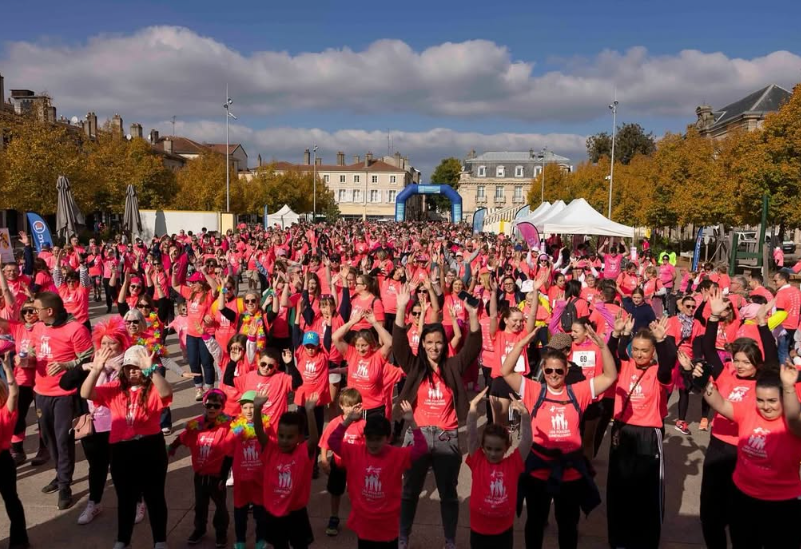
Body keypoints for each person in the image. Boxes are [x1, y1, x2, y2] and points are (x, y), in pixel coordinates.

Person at [502, 324, 618, 549]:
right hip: (539, 468)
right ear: (543, 370)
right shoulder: (534, 390)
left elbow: (610, 376)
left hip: (569, 471)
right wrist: (522, 343)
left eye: (559, 371)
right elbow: (506, 371)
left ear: (566, 370)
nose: (553, 375)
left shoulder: (578, 391)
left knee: (568, 525)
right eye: (549, 371)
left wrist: (603, 347)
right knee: (535, 522)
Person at [392, 284, 482, 549]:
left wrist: (473, 315)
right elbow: (399, 346)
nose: (434, 347)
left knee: (448, 494)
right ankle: (403, 537)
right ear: (423, 344)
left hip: (446, 437)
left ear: (445, 344)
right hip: (417, 434)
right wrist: (401, 309)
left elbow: (473, 347)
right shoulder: (415, 365)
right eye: (429, 342)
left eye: (439, 342)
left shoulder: (453, 365)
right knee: (409, 492)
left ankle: (449, 540)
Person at [700, 361, 801, 548]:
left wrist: (788, 387)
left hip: (781, 504)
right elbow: (720, 404)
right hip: (744, 499)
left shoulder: (793, 425)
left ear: (783, 399)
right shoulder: (748, 411)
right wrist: (704, 383)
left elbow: (795, 417)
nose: (765, 406)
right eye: (760, 400)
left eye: (772, 401)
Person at [81, 345, 173, 549]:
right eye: (128, 368)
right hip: (122, 449)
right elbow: (86, 392)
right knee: (125, 497)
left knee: (155, 496)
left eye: (136, 367)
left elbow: (166, 393)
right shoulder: (115, 388)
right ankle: (123, 539)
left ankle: (160, 540)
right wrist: (96, 370)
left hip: (150, 446)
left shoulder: (152, 388)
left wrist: (151, 370)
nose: (132, 372)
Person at [605, 316, 677, 549]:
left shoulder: (659, 373)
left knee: (646, 491)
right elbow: (609, 356)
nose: (639, 354)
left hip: (648, 435)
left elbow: (669, 362)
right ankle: (619, 540)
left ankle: (645, 541)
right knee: (619, 487)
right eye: (635, 349)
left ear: (653, 352)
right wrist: (618, 334)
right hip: (622, 432)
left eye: (645, 350)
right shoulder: (624, 366)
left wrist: (662, 340)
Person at [58, 317, 131, 526]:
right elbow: (64, 384)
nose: (107, 347)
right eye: (104, 343)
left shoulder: (129, 363)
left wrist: (119, 370)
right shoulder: (92, 362)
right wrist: (84, 367)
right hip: (93, 425)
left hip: (120, 425)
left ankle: (136, 502)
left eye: (112, 343)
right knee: (96, 467)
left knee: (122, 468)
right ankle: (94, 502)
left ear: (122, 343)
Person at [329, 400, 425, 549]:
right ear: (364, 437)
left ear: (388, 438)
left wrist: (412, 421)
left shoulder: (396, 455)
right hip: (364, 523)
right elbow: (333, 442)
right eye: (370, 439)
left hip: (387, 525)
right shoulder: (355, 452)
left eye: (378, 439)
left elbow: (421, 448)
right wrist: (348, 420)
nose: (373, 444)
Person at [28, 291, 93, 510]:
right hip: (41, 392)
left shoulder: (76, 329)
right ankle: (59, 473)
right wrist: (25, 358)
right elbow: (32, 351)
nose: (33, 313)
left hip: (65, 394)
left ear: (49, 311)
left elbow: (88, 358)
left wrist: (66, 365)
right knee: (48, 438)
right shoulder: (38, 327)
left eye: (36, 309)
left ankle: (65, 484)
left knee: (63, 439)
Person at [253, 391, 320, 549]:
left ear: (300, 437)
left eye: (290, 437)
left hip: (296, 513)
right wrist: (257, 409)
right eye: (281, 435)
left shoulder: (302, 453)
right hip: (273, 512)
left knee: (300, 546)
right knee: (279, 545)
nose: (284, 440)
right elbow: (259, 432)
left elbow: (314, 440)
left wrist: (310, 411)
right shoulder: (271, 449)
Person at [466, 388, 531, 549]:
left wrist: (525, 415)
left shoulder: (513, 464)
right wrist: (472, 409)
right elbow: (471, 436)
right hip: (479, 529)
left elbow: (527, 441)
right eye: (488, 448)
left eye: (498, 449)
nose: (493, 453)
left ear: (506, 447)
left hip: (503, 531)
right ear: (482, 447)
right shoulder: (478, 460)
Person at [169, 389, 233, 547]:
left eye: (216, 406)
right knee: (200, 506)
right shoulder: (196, 425)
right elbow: (182, 437)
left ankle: (221, 532)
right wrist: (172, 447)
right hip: (200, 475)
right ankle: (199, 529)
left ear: (222, 407)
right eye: (209, 405)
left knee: (220, 507)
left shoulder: (228, 426)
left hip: (217, 476)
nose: (212, 408)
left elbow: (238, 440)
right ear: (204, 405)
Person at [319, 388, 365, 537]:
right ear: (341, 405)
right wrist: (324, 460)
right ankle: (334, 516)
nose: (351, 409)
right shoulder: (335, 423)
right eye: (348, 405)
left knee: (357, 493)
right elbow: (325, 442)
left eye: (355, 405)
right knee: (335, 491)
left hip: (356, 466)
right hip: (338, 464)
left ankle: (358, 516)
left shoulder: (363, 424)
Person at [227, 390, 269, 549]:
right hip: (241, 479)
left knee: (260, 513)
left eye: (252, 407)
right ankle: (240, 541)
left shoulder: (267, 426)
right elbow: (227, 452)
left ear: (259, 407)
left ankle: (260, 540)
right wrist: (222, 475)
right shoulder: (235, 428)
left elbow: (273, 448)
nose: (249, 411)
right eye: (245, 407)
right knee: (240, 512)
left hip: (260, 478)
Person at [332, 310, 393, 417]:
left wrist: (375, 323)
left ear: (371, 344)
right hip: (354, 408)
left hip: (374, 409)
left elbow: (390, 343)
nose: (360, 349)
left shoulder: (378, 356)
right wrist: (352, 322)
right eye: (358, 345)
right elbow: (335, 337)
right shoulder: (351, 353)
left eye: (364, 345)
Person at [0, 353, 28, 549]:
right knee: (12, 500)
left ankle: (19, 541)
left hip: (2, 462)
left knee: (11, 500)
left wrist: (8, 370)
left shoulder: (5, 413)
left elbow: (15, 394)